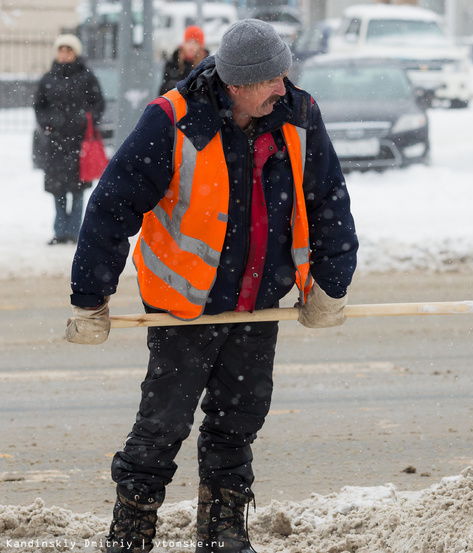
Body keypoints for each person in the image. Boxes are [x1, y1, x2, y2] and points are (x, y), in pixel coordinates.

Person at [65, 19, 358, 553]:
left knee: (238, 421)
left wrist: (330, 285)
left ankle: (223, 531)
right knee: (162, 425)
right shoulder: (173, 121)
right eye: (272, 79)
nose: (282, 87)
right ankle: (131, 531)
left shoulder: (298, 114)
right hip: (184, 309)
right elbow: (112, 206)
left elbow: (328, 200)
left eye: (284, 76)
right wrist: (91, 296)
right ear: (237, 84)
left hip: (257, 306)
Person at [33, 34, 105, 245]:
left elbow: (98, 103)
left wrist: (86, 118)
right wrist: (48, 123)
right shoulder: (48, 78)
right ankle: (60, 231)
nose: (64, 54)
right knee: (58, 189)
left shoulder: (87, 77)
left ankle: (74, 231)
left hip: (78, 141)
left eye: (68, 50)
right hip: (55, 142)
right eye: (61, 50)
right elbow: (39, 106)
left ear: (75, 53)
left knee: (78, 188)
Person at [158, 25, 209, 95]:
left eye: (195, 42)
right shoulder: (173, 62)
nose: (191, 46)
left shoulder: (206, 65)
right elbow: (164, 90)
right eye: (189, 42)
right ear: (184, 43)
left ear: (200, 46)